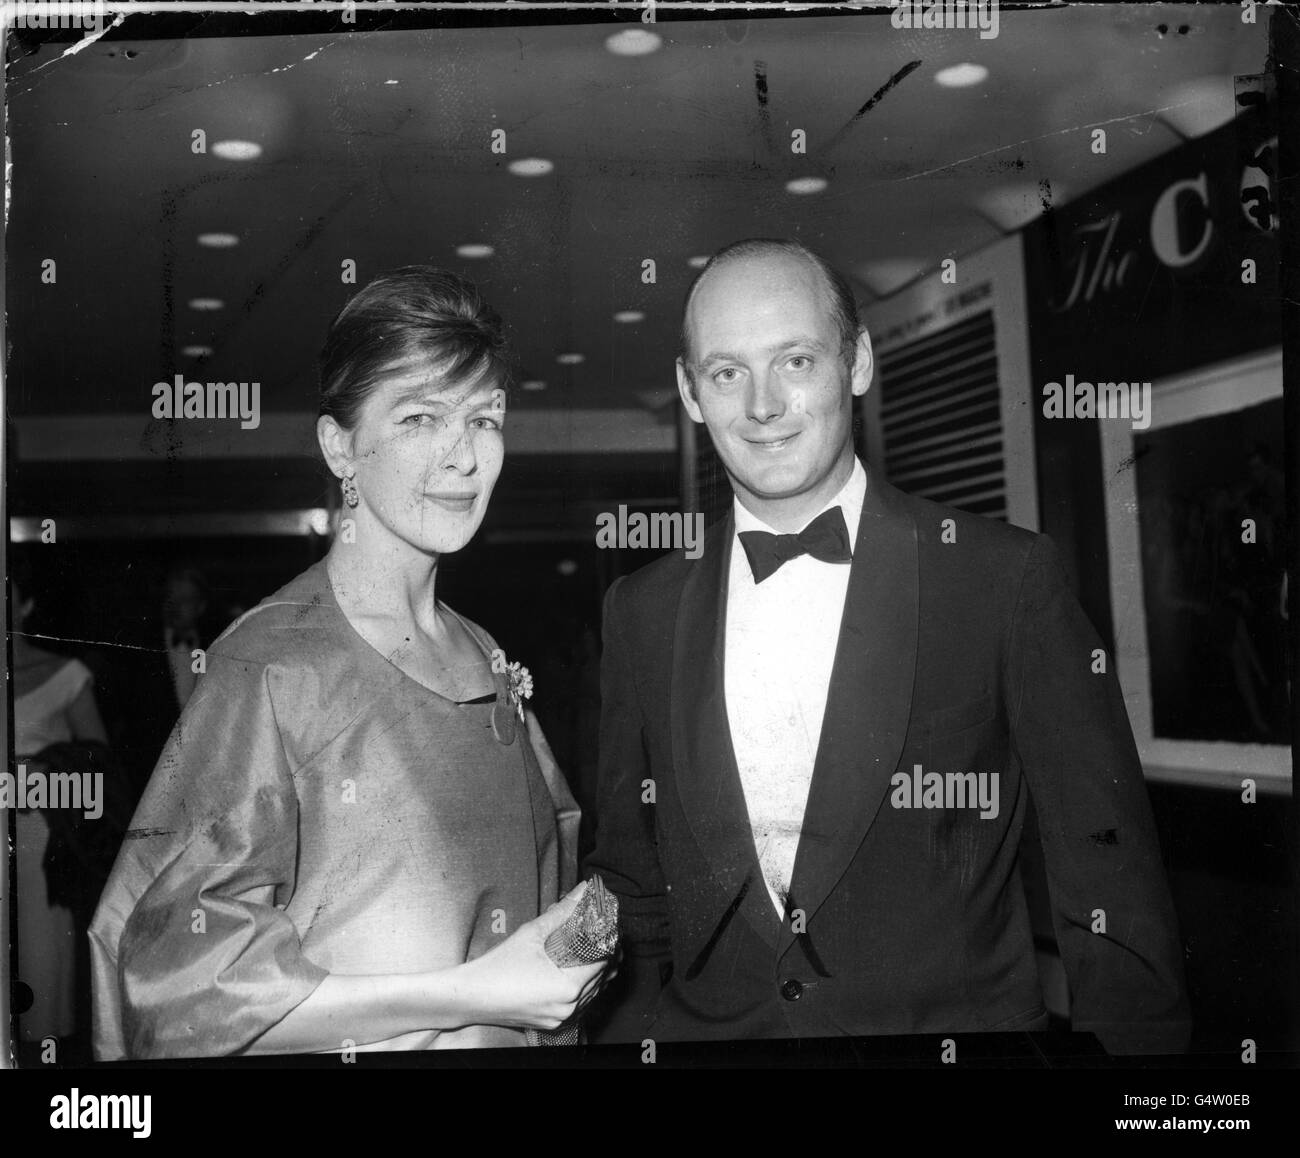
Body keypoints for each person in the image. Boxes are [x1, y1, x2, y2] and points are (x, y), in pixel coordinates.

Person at [584, 239, 1190, 1054]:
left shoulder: (1002, 580)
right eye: (727, 372)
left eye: (795, 360)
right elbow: (634, 894)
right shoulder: (641, 612)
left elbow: (1107, 876)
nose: (763, 404)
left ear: (858, 362)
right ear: (692, 393)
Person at [90, 267, 614, 1059]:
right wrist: (471, 993)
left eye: (484, 418)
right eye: (418, 419)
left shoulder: (486, 658)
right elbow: (181, 993)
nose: (463, 457)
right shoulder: (270, 664)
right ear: (339, 446)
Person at [9, 554, 109, 1052]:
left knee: (39, 959)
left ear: (23, 604)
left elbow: (102, 765)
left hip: (40, 837)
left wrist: (48, 766)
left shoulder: (65, 675)